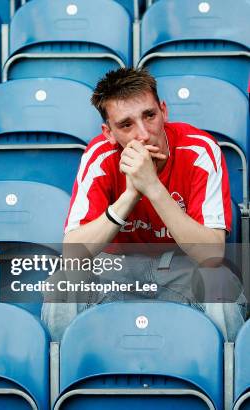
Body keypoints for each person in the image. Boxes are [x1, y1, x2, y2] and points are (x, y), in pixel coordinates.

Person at [41, 67, 246, 341]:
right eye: (126, 125)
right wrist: (130, 196)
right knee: (63, 285)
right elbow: (73, 255)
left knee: (219, 283)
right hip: (115, 268)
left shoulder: (200, 150)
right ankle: (70, 379)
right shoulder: (99, 157)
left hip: (181, 268)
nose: (144, 134)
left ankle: (223, 378)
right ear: (109, 133)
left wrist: (152, 186)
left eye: (149, 116)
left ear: (164, 112)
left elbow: (211, 255)